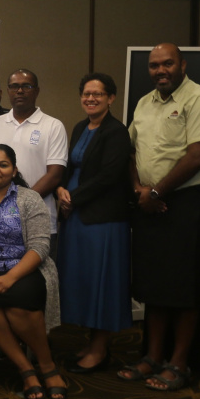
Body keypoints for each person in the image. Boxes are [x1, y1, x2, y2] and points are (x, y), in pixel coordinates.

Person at [122, 43, 200, 392]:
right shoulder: (144, 102)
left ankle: (179, 362)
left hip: (187, 203)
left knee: (184, 287)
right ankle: (152, 356)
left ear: (182, 64)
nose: (159, 71)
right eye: (154, 66)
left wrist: (156, 192)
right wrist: (139, 190)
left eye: (167, 64)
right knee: (154, 285)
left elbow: (197, 157)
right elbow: (130, 150)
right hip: (149, 201)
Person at [0, 144, 66, 399]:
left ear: (14, 170)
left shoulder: (29, 198)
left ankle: (46, 364)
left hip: (25, 268)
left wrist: (10, 278)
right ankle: (26, 370)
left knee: (19, 303)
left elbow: (41, 246)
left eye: (3, 164)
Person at [56, 73, 133, 374]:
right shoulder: (79, 127)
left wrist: (72, 196)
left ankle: (100, 348)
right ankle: (91, 341)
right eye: (86, 94)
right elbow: (68, 164)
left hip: (103, 219)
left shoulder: (117, 132)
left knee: (103, 283)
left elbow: (109, 176)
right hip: (75, 215)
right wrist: (60, 189)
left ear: (111, 98)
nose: (91, 99)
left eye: (98, 94)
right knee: (84, 281)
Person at [0, 69, 68, 231]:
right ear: (7, 91)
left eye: (27, 86)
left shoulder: (53, 126)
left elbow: (54, 175)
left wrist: (20, 204)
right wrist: (2, 205)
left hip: (38, 218)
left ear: (37, 91)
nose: (20, 91)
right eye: (14, 86)